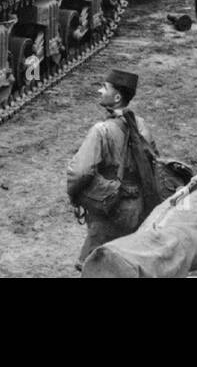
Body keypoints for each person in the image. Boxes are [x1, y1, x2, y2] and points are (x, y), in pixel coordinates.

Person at [65, 68, 155, 270]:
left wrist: (73, 193)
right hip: (139, 206)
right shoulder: (140, 124)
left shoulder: (102, 130)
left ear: (116, 97)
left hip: (111, 208)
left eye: (104, 87)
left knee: (94, 266)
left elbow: (80, 171)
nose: (99, 91)